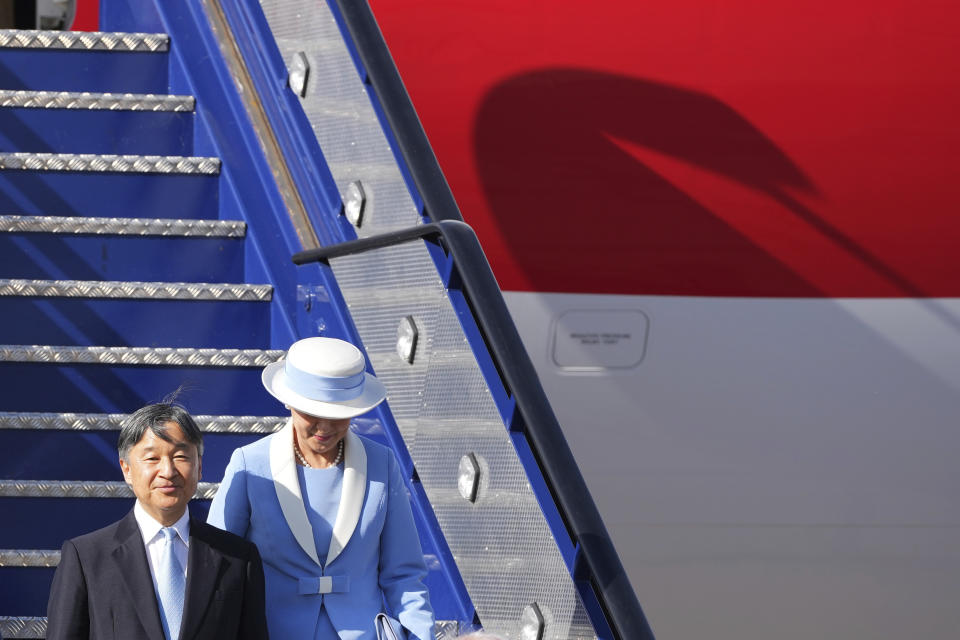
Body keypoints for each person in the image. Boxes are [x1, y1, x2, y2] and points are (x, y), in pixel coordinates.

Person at [208, 337, 435, 640]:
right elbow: (217, 567)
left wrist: (420, 636)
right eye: (311, 413)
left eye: (339, 414)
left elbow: (403, 574)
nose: (325, 427)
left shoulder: (382, 463)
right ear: (288, 401)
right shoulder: (250, 464)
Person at [47, 403, 269, 640]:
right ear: (127, 469)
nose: (168, 471)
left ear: (200, 467)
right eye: (152, 458)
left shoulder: (237, 557)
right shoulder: (86, 557)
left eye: (181, 456)